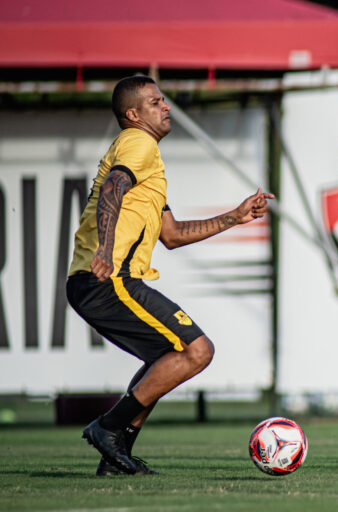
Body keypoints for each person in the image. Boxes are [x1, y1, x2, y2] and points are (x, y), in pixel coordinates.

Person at [67, 75, 274, 475]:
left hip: (104, 280)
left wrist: (234, 217)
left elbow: (172, 235)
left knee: (168, 358)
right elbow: (112, 188)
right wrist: (105, 250)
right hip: (109, 280)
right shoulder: (138, 143)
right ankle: (108, 427)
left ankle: (117, 455)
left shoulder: (146, 159)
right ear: (133, 114)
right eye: (155, 101)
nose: (166, 106)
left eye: (164, 100)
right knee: (198, 351)